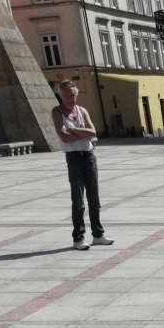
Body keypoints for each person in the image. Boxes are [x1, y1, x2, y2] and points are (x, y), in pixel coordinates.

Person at [52, 80, 113, 252]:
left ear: (77, 94)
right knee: (78, 200)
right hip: (74, 159)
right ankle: (78, 238)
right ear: (61, 96)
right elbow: (64, 137)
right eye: (66, 95)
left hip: (89, 157)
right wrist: (83, 133)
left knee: (94, 199)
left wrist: (73, 130)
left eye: (72, 95)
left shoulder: (82, 110)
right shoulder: (57, 111)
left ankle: (98, 235)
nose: (70, 98)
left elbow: (92, 132)